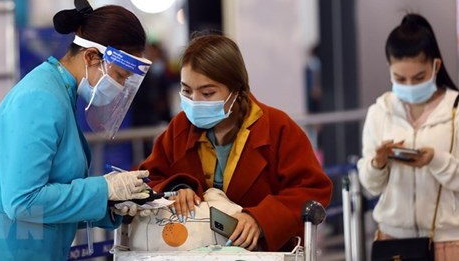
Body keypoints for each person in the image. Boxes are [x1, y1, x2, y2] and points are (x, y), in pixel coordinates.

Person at [0, 0, 153, 261]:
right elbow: (23, 202)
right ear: (92, 57)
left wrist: (111, 205)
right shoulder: (40, 98)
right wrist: (104, 190)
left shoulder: (60, 94)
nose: (119, 85)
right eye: (119, 76)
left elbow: (54, 193)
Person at [139, 33, 332, 252]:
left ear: (236, 89)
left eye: (207, 92)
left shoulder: (277, 127)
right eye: (186, 91)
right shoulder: (180, 127)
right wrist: (176, 188)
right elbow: (148, 177)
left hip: (264, 254)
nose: (195, 102)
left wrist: (261, 219)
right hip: (195, 252)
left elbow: (312, 189)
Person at [357, 13, 459, 261]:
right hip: (392, 243)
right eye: (399, 78)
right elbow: (370, 185)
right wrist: (378, 163)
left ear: (435, 67)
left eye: (418, 77)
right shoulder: (380, 112)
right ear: (389, 68)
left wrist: (436, 160)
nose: (409, 85)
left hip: (451, 243)